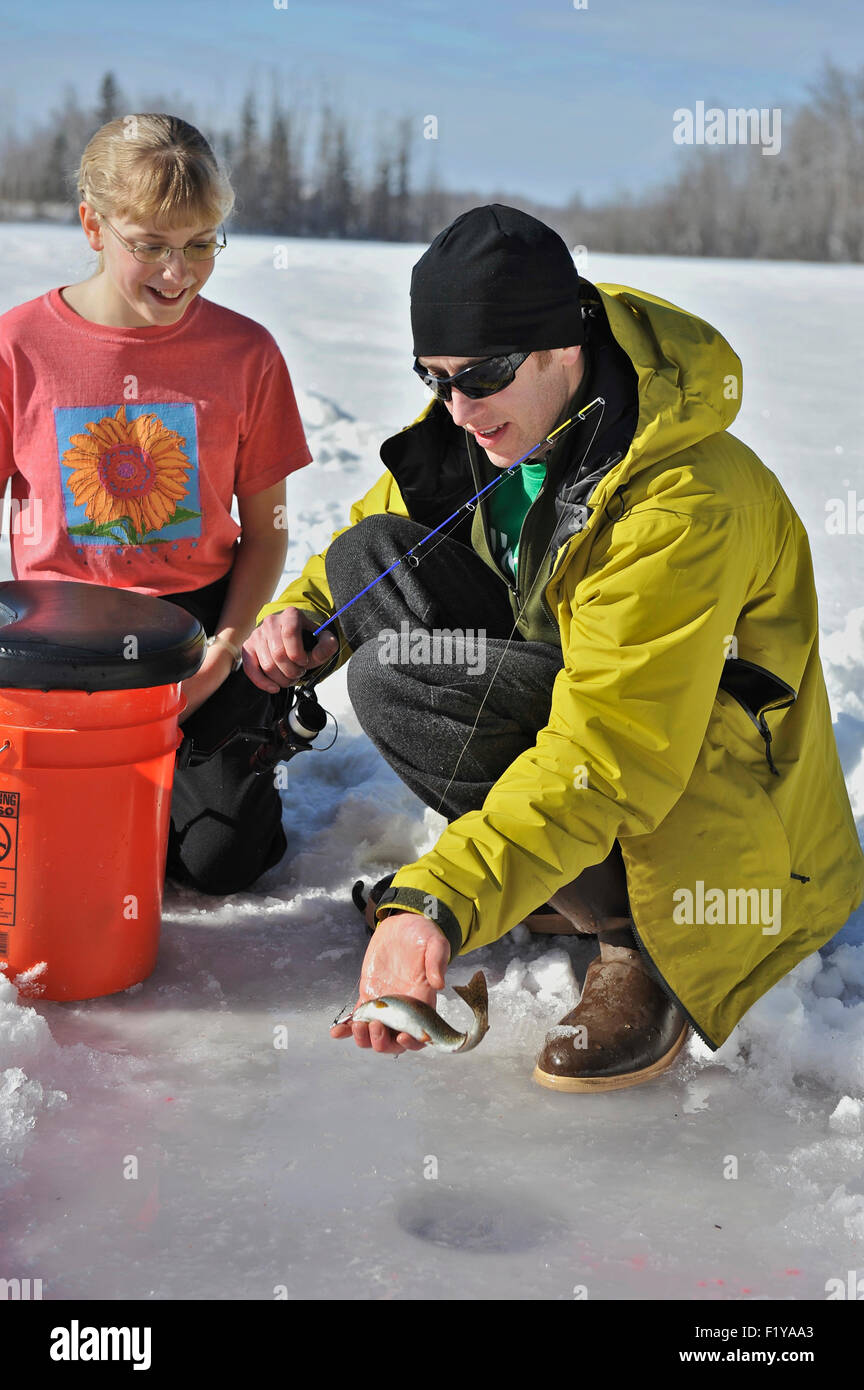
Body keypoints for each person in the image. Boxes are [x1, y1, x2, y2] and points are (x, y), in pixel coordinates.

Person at [245, 204, 864, 1091]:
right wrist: (308, 618)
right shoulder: (506, 420)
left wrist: (440, 900)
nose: (457, 407)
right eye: (433, 376)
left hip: (712, 828)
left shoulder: (684, 505)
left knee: (403, 684)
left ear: (558, 346)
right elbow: (380, 527)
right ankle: (544, 882)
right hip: (594, 713)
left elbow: (611, 751)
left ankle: (636, 940)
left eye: (480, 376)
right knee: (369, 559)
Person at [0, 114, 311, 894]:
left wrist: (223, 654)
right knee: (53, 857)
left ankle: (243, 739)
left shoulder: (248, 354)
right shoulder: (19, 347)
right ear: (93, 225)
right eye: (152, 246)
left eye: (202, 244)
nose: (180, 272)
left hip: (195, 632)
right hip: (57, 646)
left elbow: (267, 533)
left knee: (215, 863)